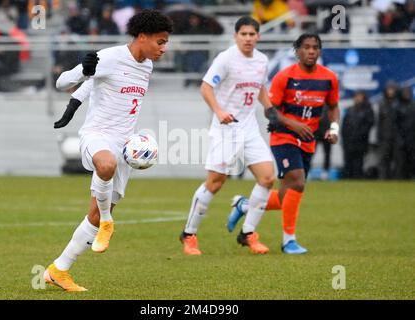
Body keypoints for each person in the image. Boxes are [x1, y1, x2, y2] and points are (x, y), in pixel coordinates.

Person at [43, 9, 173, 292]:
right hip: (97, 136)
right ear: (142, 36)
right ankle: (109, 222)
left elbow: (94, 86)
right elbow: (63, 82)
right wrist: (83, 72)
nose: (164, 48)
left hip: (125, 145)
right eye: (160, 42)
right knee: (105, 165)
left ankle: (58, 270)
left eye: (165, 42)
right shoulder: (110, 56)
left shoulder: (147, 66)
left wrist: (73, 105)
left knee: (93, 215)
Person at [227, 33, 340, 254]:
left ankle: (244, 205)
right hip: (284, 138)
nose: (310, 51)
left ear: (319, 51)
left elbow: (334, 106)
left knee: (285, 196)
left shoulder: (329, 78)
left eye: (315, 47)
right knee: (297, 182)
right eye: (306, 47)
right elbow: (271, 111)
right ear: (297, 50)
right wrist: (294, 125)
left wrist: (334, 128)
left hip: (308, 140)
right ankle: (289, 240)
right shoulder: (284, 77)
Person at [179, 16, 275, 256]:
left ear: (258, 37)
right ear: (236, 36)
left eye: (252, 34)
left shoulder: (262, 60)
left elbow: (260, 87)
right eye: (243, 34)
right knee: (216, 183)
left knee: (267, 178)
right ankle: (189, 234)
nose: (248, 38)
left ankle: (248, 233)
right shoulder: (225, 59)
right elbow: (205, 87)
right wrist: (219, 111)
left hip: (250, 128)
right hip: (226, 128)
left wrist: (269, 108)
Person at [341, 91, 374, 179]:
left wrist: (359, 134)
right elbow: (344, 126)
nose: (358, 98)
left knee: (358, 162)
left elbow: (369, 124)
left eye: (360, 96)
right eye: (356, 96)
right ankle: (347, 179)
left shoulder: (368, 110)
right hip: (349, 141)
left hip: (360, 141)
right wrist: (344, 138)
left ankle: (357, 178)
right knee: (348, 161)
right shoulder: (349, 110)